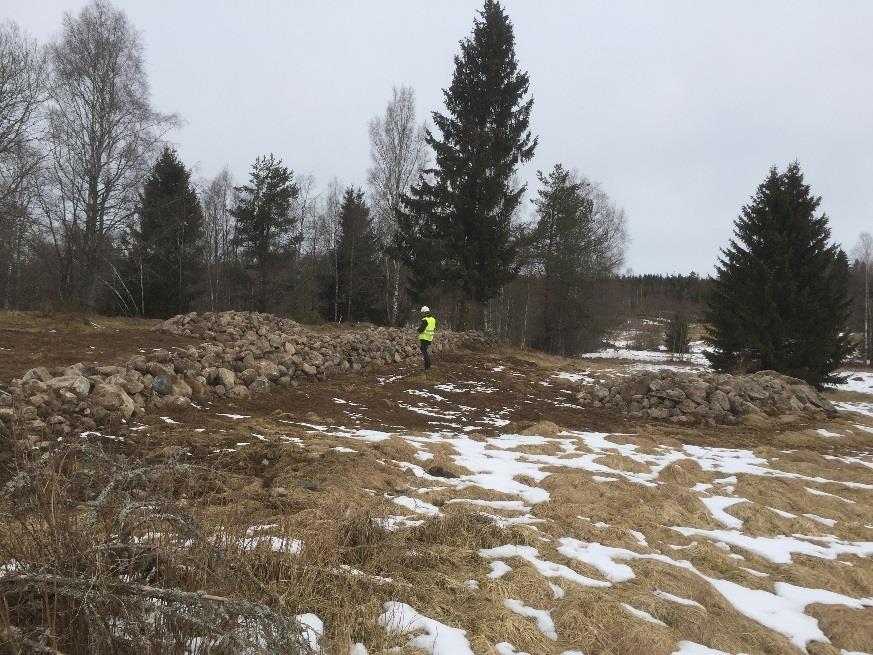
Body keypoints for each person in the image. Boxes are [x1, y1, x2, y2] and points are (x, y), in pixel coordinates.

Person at [417, 306, 437, 370]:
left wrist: (417, 329)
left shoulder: (425, 320)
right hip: (429, 338)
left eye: (422, 313)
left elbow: (421, 329)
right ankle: (427, 365)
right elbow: (434, 328)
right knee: (423, 350)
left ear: (424, 312)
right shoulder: (433, 319)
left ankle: (427, 366)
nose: (422, 314)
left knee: (424, 351)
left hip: (424, 338)